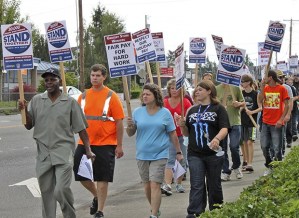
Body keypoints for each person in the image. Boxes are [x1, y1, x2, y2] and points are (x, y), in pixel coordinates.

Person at [18, 68, 95, 218]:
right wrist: (24, 111)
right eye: (46, 80)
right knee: (46, 192)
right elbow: (29, 125)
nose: (49, 82)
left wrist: (88, 149)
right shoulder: (37, 100)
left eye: (52, 79)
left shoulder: (70, 102)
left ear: (59, 81)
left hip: (63, 151)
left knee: (61, 189)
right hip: (43, 154)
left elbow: (82, 129)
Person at [73, 64, 125, 218]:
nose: (94, 78)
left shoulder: (111, 95)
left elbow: (119, 122)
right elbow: (75, 117)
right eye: (92, 75)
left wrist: (119, 145)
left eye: (97, 75)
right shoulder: (83, 96)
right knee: (80, 174)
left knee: (102, 177)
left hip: (106, 143)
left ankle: (100, 211)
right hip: (85, 143)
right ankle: (96, 196)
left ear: (104, 77)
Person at [126, 83, 183, 218]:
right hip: (142, 154)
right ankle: (155, 209)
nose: (145, 96)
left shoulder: (164, 113)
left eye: (148, 94)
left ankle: (154, 215)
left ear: (155, 96)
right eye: (143, 94)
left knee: (155, 184)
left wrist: (178, 152)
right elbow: (130, 133)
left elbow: (173, 133)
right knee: (146, 186)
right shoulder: (137, 112)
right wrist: (129, 126)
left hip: (160, 154)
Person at [177, 80, 230, 217]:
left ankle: (217, 210)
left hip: (214, 154)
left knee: (214, 184)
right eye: (196, 89)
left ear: (209, 91)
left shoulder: (218, 108)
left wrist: (217, 139)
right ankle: (195, 212)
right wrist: (182, 125)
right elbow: (186, 134)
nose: (197, 91)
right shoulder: (192, 110)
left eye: (200, 89)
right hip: (195, 153)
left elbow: (224, 128)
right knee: (196, 183)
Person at [161, 79, 192, 195]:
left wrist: (183, 120)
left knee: (181, 159)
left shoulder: (185, 102)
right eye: (172, 88)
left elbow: (190, 116)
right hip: (168, 135)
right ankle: (168, 184)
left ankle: (179, 183)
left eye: (177, 88)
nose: (174, 90)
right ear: (169, 90)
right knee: (169, 159)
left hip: (182, 135)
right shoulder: (164, 102)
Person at [258, 70, 289, 176]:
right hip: (265, 122)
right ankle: (269, 165)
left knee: (277, 148)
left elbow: (287, 105)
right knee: (264, 146)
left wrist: (281, 119)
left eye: (265, 77)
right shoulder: (265, 88)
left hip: (277, 124)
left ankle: (279, 169)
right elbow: (260, 100)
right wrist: (262, 87)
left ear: (270, 77)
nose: (263, 78)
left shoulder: (282, 88)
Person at [216, 83, 245, 181]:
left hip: (235, 121)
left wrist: (238, 104)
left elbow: (243, 102)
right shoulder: (217, 88)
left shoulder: (236, 87)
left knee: (234, 146)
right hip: (222, 123)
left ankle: (236, 167)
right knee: (222, 148)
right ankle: (225, 171)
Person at [240, 74, 262, 172]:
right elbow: (239, 106)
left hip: (252, 122)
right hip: (242, 121)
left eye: (243, 81)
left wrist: (252, 112)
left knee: (250, 142)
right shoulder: (241, 94)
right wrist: (240, 108)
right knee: (243, 142)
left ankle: (250, 163)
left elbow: (261, 107)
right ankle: (245, 161)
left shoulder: (256, 94)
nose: (242, 83)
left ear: (248, 82)